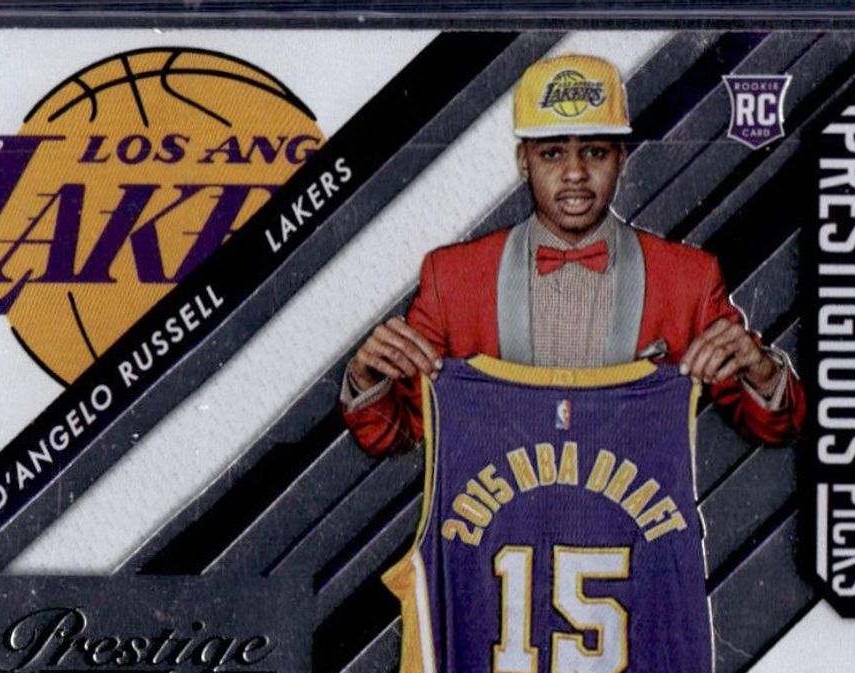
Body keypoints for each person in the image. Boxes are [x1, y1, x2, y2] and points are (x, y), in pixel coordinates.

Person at [341, 53, 805, 455]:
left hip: (632, 531)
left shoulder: (689, 280)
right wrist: (367, 378)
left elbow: (776, 427)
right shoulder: (452, 278)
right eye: (552, 154)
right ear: (523, 161)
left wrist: (763, 373)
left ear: (622, 158)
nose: (575, 174)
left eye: (595, 152)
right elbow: (397, 434)